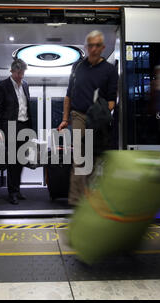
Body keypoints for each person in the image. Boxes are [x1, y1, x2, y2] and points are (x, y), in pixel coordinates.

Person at [57, 30, 118, 206]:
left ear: (103, 48)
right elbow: (68, 95)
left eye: (97, 45)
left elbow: (112, 101)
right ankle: (76, 202)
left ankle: (89, 199)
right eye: (90, 45)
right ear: (86, 47)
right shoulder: (77, 68)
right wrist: (65, 119)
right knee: (80, 159)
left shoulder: (109, 71)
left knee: (93, 160)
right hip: (78, 117)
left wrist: (100, 113)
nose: (94, 49)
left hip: (98, 120)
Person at [0, 59, 32, 205]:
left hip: (25, 126)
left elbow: (27, 107)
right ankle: (12, 193)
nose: (21, 76)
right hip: (10, 127)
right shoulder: (3, 86)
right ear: (12, 71)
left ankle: (17, 189)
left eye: (23, 72)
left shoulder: (26, 85)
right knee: (12, 161)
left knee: (21, 160)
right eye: (18, 73)